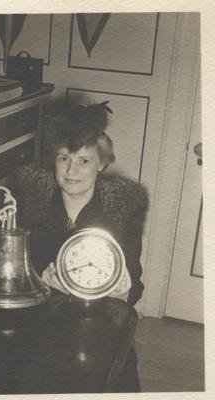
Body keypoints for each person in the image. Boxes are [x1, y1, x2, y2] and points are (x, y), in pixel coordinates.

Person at [10, 101, 148, 391]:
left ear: (102, 163)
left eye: (83, 160)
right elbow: (15, 272)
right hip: (41, 317)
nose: (71, 170)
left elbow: (135, 281)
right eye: (63, 158)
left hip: (100, 320)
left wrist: (123, 290)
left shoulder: (123, 208)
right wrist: (37, 279)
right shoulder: (30, 200)